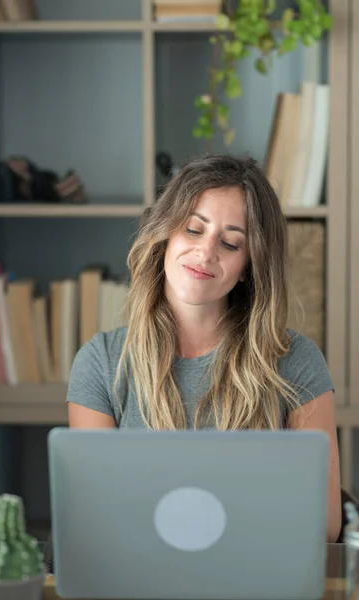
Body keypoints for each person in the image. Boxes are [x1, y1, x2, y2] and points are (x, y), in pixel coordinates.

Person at [67, 153, 341, 542]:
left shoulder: (296, 360)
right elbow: (93, 517)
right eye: (194, 230)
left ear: (248, 265)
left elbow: (325, 525)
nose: (206, 252)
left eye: (230, 243)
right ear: (165, 235)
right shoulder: (102, 362)